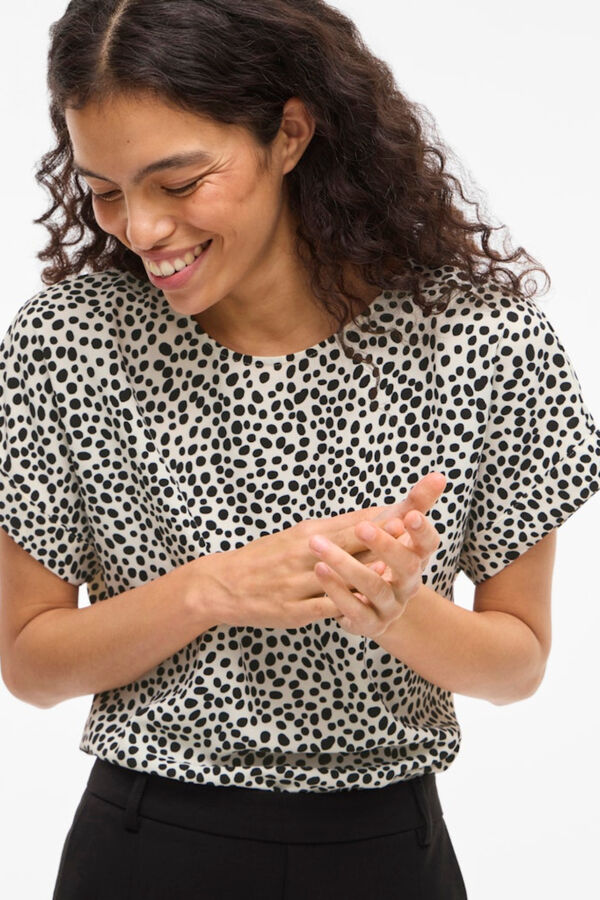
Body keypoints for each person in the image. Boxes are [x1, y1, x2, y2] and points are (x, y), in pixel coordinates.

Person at [0, 1, 598, 898]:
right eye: (106, 189)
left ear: (289, 133)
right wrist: (211, 590)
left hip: (390, 849)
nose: (142, 229)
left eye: (179, 182)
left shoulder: (484, 344)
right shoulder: (67, 342)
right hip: (142, 846)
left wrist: (401, 610)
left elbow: (520, 662)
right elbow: (29, 661)